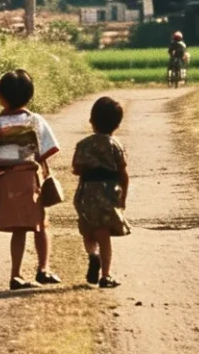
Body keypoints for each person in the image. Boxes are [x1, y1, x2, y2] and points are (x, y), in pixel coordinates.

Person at [0, 69, 62, 290]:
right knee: (41, 223)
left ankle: (16, 274)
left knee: (19, 230)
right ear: (30, 96)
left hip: (6, 181)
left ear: (0, 97)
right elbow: (47, 150)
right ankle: (43, 269)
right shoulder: (34, 120)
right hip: (30, 179)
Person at [72, 96, 131, 288]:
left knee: (89, 232)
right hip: (108, 193)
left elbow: (76, 168)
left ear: (92, 120)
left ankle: (93, 254)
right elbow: (123, 174)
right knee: (104, 234)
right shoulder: (116, 145)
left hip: (86, 192)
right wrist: (123, 198)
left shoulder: (83, 144)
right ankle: (106, 275)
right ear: (117, 124)